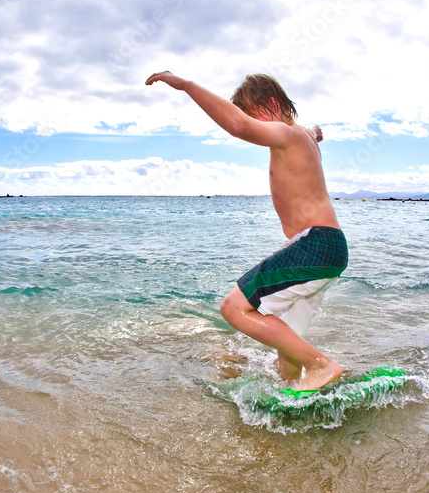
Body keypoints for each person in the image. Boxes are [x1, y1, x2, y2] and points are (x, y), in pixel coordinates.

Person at [145, 71, 348, 394]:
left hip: (316, 243)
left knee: (233, 308)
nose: (252, 125)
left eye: (251, 114)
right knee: (288, 340)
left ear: (269, 104)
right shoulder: (301, 136)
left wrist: (185, 85)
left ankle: (321, 365)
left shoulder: (286, 134)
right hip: (325, 247)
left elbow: (237, 125)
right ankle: (295, 391)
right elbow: (310, 131)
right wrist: (314, 131)